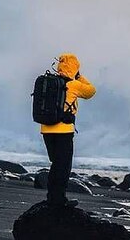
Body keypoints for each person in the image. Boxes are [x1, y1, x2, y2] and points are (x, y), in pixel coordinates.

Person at [39, 53, 96, 207]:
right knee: (63, 167)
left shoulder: (49, 82)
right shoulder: (73, 85)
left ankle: (52, 197)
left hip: (46, 129)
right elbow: (91, 91)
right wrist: (79, 76)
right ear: (74, 67)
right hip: (63, 131)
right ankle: (59, 200)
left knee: (55, 164)